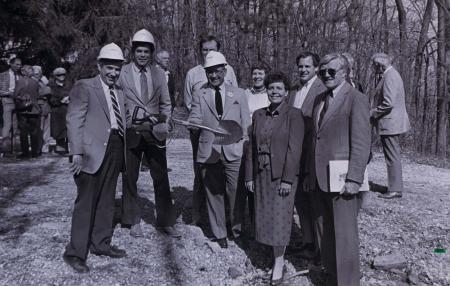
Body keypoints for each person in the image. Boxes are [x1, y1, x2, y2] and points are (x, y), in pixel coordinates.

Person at [63, 43, 128, 273]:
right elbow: (74, 120)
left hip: (115, 146)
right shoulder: (84, 86)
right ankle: (75, 253)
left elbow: (123, 119)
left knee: (107, 199)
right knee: (86, 201)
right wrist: (77, 153)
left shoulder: (119, 91)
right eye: (109, 67)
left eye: (117, 68)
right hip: (90, 151)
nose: (113, 73)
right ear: (99, 66)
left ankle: (101, 243)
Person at [307, 53, 371, 285]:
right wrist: (309, 174)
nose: (326, 76)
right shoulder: (319, 99)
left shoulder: (356, 99)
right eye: (322, 72)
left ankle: (348, 282)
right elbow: (315, 139)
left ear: (345, 72)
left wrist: (354, 179)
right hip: (319, 178)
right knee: (325, 233)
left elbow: (362, 143)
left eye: (331, 71)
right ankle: (333, 276)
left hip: (343, 181)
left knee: (345, 237)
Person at [118, 29, 180, 238]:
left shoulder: (159, 73)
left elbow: (166, 103)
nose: (142, 55)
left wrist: (165, 122)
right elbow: (118, 102)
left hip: (155, 132)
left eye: (146, 51)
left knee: (161, 176)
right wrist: (127, 123)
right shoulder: (122, 72)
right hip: (133, 131)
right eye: (139, 51)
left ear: (151, 53)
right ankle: (132, 219)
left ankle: (165, 221)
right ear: (133, 52)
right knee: (130, 177)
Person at [245, 72, 304, 284]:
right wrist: (249, 176)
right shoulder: (259, 114)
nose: (275, 92)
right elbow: (251, 146)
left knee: (280, 217)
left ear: (286, 92)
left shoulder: (294, 115)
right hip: (261, 174)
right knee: (265, 215)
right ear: (266, 91)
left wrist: (288, 179)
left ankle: (279, 262)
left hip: (282, 176)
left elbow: (294, 150)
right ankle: (271, 253)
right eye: (271, 88)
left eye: (279, 88)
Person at [188, 51, 250, 248]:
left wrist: (244, 145)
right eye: (209, 72)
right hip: (209, 152)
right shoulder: (200, 93)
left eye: (217, 71)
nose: (213, 76)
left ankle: (237, 230)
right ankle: (219, 232)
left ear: (224, 70)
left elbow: (245, 124)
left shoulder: (239, 93)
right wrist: (193, 124)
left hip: (233, 150)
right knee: (213, 193)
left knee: (236, 193)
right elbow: (196, 118)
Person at [183, 35, 238, 225]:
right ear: (200, 51)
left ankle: (226, 218)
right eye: (205, 49)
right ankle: (198, 215)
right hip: (201, 130)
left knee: (226, 169)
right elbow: (189, 102)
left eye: (212, 49)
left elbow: (234, 100)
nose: (208, 53)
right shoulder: (193, 73)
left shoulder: (228, 70)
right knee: (201, 170)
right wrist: (197, 122)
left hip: (224, 130)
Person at [287, 52, 327, 260]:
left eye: (307, 67)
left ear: (316, 68)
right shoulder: (293, 90)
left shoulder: (323, 88)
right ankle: (308, 242)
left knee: (316, 202)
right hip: (295, 153)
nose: (303, 70)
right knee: (300, 199)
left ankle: (322, 250)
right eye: (300, 66)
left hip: (313, 153)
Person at [371, 53, 410, 199]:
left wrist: (373, 113)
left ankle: (395, 189)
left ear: (380, 65)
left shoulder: (390, 76)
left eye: (374, 66)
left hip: (390, 122)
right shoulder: (390, 75)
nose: (374, 69)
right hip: (391, 121)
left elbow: (388, 103)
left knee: (392, 155)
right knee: (392, 154)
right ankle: (395, 187)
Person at [14, 65, 42, 158]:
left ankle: (25, 153)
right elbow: (37, 94)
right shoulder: (35, 82)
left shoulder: (19, 81)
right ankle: (35, 153)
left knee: (23, 132)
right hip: (34, 109)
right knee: (34, 131)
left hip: (23, 110)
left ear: (23, 72)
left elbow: (15, 95)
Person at [0, 57, 21, 153]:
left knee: (15, 126)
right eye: (16, 64)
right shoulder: (3, 75)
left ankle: (14, 148)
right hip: (7, 101)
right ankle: (5, 149)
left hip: (17, 102)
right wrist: (7, 93)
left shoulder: (19, 76)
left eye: (20, 65)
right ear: (11, 64)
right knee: (7, 125)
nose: (18, 66)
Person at [48, 67, 71, 154]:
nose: (62, 76)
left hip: (68, 109)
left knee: (68, 129)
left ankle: (69, 147)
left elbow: (74, 94)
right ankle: (60, 148)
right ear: (55, 76)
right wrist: (60, 100)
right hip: (57, 111)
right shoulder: (51, 86)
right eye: (59, 75)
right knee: (59, 129)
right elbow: (50, 99)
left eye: (63, 74)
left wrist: (70, 98)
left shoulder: (69, 85)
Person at [32, 65, 54, 153]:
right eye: (37, 73)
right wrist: (47, 88)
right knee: (39, 128)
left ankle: (45, 147)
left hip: (46, 106)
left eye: (40, 72)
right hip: (39, 105)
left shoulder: (44, 81)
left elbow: (50, 90)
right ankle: (38, 147)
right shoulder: (33, 82)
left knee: (47, 129)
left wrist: (47, 84)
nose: (38, 74)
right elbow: (45, 91)